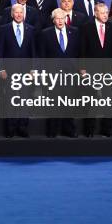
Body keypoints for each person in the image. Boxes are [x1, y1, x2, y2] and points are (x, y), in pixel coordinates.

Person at [38, 8, 81, 138]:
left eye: (62, 18)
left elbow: (78, 53)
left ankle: (69, 129)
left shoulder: (74, 31)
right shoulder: (46, 33)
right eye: (57, 18)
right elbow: (42, 55)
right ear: (53, 20)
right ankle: (52, 130)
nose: (60, 21)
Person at [80, 3, 112, 137]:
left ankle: (107, 129)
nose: (105, 15)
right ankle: (89, 130)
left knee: (108, 99)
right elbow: (82, 49)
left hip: (108, 70)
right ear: (95, 13)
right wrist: (83, 68)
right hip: (91, 69)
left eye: (107, 12)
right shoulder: (86, 28)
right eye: (102, 12)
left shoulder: (111, 27)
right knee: (91, 99)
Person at [0, 4, 36, 138]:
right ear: (12, 14)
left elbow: (33, 51)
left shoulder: (30, 29)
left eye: (21, 12)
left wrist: (33, 69)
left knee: (25, 99)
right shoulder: (4, 29)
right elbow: (0, 50)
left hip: (26, 71)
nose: (19, 15)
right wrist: (1, 68)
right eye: (16, 12)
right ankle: (11, 128)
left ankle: (23, 127)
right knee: (11, 99)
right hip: (9, 71)